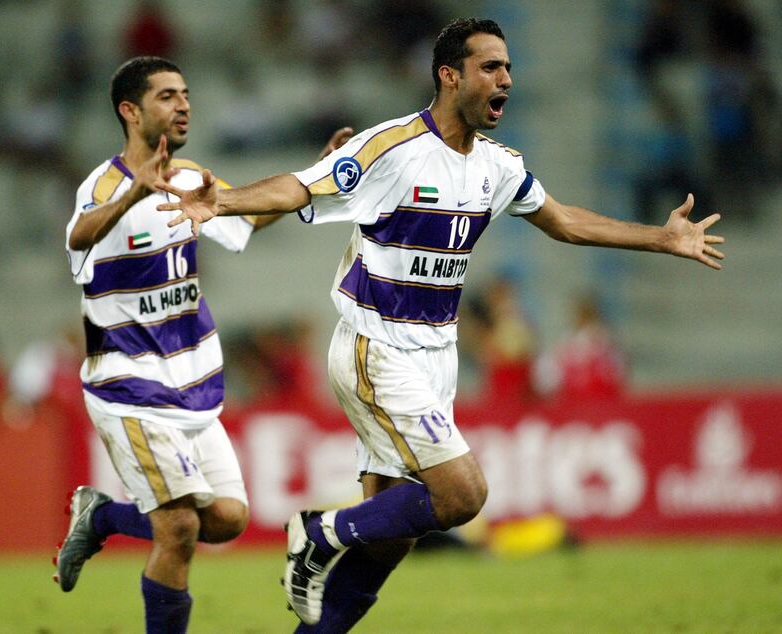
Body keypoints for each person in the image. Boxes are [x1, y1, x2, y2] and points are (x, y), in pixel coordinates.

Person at [156, 18, 725, 632]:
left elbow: (564, 222)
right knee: (462, 496)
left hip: (436, 355)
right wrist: (224, 200)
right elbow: (300, 186)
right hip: (377, 347)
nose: (506, 78)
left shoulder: (499, 165)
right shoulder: (394, 148)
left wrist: (661, 239)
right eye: (490, 67)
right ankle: (318, 531)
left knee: (390, 538)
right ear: (449, 76)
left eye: (508, 67)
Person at [57, 56, 351, 634]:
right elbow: (78, 236)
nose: (184, 104)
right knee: (180, 530)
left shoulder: (190, 177)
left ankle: (103, 516)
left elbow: (240, 220)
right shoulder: (105, 184)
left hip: (190, 380)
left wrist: (312, 174)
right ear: (130, 110)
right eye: (167, 96)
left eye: (185, 93)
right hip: (128, 382)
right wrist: (131, 198)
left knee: (228, 520)